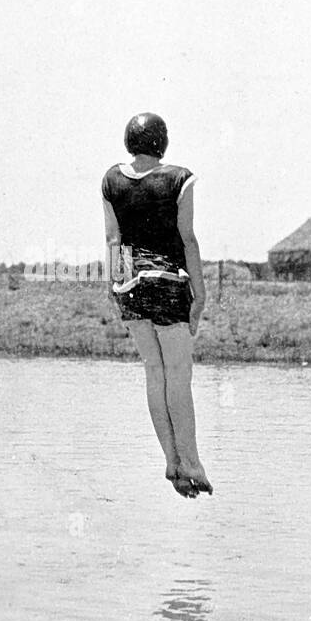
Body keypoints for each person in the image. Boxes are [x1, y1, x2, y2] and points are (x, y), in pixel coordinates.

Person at [102, 112, 212, 499]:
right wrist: (200, 292)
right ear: (161, 142)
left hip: (130, 284)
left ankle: (171, 460)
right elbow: (188, 240)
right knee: (178, 375)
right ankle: (192, 461)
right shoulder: (179, 179)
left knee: (155, 374)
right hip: (168, 282)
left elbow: (113, 239)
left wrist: (115, 284)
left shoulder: (112, 180)